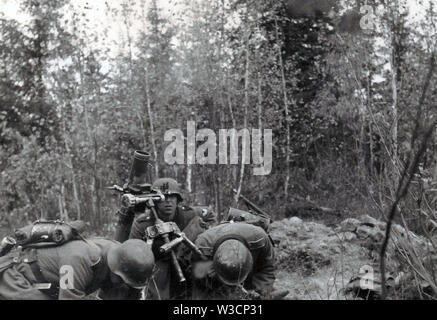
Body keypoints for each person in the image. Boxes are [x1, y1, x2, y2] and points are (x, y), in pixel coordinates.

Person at [114, 177, 216, 300]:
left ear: (178, 200)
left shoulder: (188, 214)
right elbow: (132, 255)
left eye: (172, 197)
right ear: (155, 201)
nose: (168, 202)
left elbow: (210, 216)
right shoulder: (143, 223)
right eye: (163, 198)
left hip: (187, 265)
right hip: (158, 268)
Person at [0, 238, 155, 300]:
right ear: (117, 273)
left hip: (48, 286)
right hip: (18, 277)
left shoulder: (118, 254)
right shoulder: (79, 259)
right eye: (125, 282)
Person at [191, 222, 276, 300]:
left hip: (252, 243)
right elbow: (200, 282)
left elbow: (267, 267)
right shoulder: (201, 247)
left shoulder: (260, 239)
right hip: (210, 261)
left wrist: (262, 293)